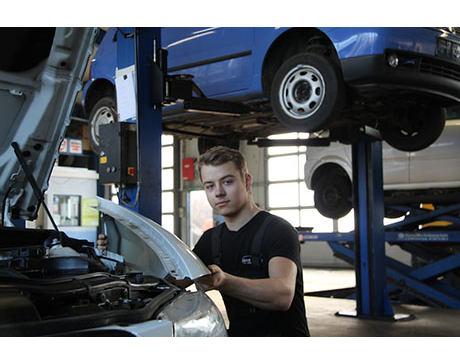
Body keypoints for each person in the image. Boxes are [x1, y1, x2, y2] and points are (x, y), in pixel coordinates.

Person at [98, 146, 309, 337]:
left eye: (227, 182)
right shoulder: (211, 240)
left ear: (247, 181)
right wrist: (117, 253)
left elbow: (283, 295)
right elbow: (172, 281)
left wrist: (224, 281)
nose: (219, 192)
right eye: (210, 186)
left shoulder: (277, 230)